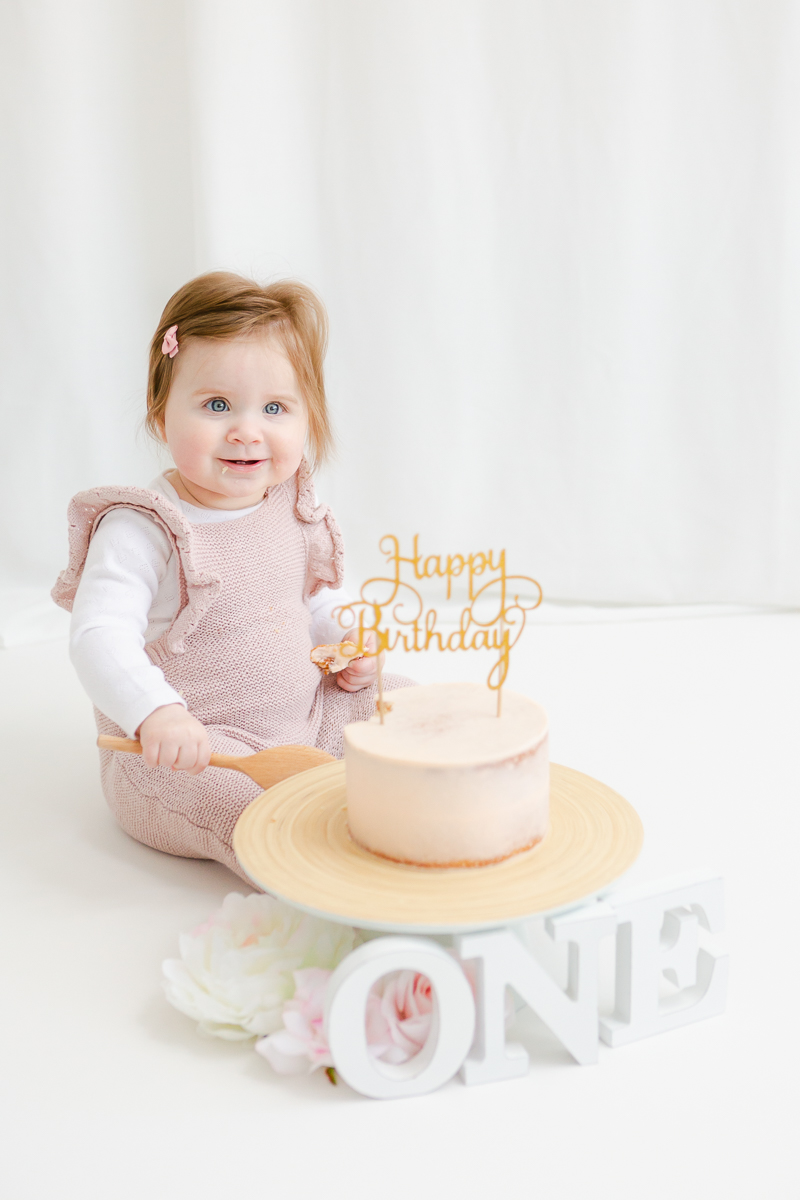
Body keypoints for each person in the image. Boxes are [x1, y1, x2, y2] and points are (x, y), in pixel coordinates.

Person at [53, 272, 412, 882]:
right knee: (245, 806)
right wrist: (156, 714)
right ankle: (331, 882)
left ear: (309, 419)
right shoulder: (145, 528)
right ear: (161, 414)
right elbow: (98, 636)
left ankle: (433, 807)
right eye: (217, 405)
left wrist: (348, 641)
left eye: (275, 408)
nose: (247, 430)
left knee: (404, 701)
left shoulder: (290, 505)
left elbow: (319, 596)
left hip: (306, 717)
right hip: (198, 748)